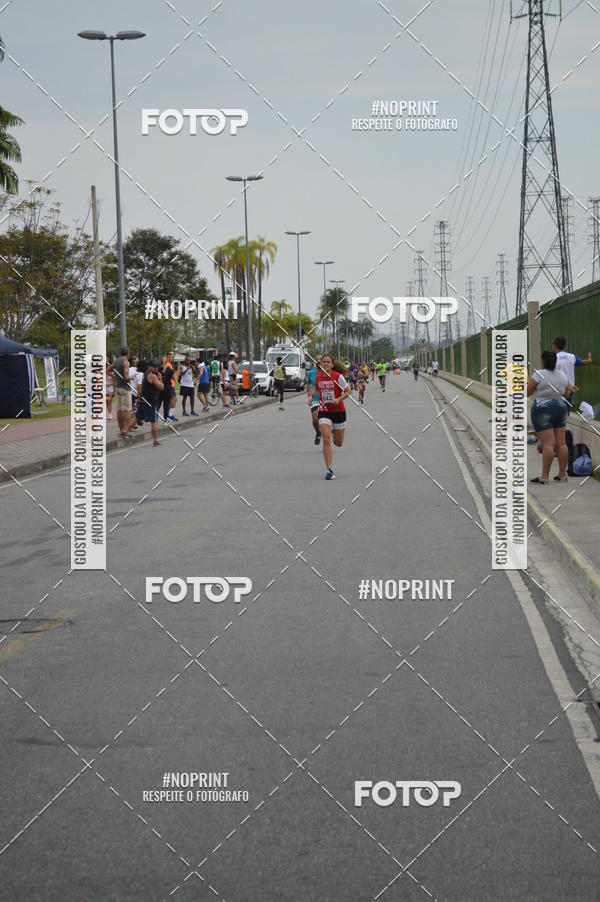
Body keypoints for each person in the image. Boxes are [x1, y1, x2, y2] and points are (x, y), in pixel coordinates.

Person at [527, 350, 574, 484]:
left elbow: (527, 392)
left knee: (548, 444)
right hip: (560, 408)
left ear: (543, 361)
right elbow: (566, 394)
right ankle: (562, 475)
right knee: (561, 443)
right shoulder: (562, 375)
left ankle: (544, 476)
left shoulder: (538, 374)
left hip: (542, 409)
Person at [308, 354, 351, 480]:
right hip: (324, 410)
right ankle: (329, 470)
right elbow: (316, 388)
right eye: (323, 362)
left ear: (332, 364)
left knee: (338, 443)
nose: (325, 364)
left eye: (328, 362)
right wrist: (311, 397)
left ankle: (334, 430)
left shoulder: (338, 377)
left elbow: (348, 391)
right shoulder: (319, 377)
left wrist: (338, 399)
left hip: (338, 411)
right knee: (326, 439)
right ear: (320, 364)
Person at [552, 336, 591, 405]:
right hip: (570, 390)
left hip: (557, 389)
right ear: (564, 346)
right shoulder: (571, 357)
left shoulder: (552, 358)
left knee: (557, 410)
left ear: (554, 345)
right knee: (566, 410)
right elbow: (584, 362)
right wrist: (588, 360)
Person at [137, 360, 164, 447]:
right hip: (151, 401)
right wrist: (160, 379)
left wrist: (139, 397)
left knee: (136, 416)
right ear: (149, 366)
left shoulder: (145, 374)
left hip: (143, 399)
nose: (156, 368)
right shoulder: (153, 376)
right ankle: (155, 440)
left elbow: (141, 386)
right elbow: (161, 387)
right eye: (154, 366)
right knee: (154, 421)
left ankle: (126, 429)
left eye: (157, 367)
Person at [112, 346, 136, 437]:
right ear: (128, 353)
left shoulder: (116, 361)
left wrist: (115, 377)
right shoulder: (126, 362)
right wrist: (132, 377)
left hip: (118, 387)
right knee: (127, 410)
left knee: (120, 410)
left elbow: (108, 370)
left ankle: (121, 429)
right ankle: (125, 430)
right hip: (125, 388)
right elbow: (126, 377)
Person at [306, 355, 322, 444]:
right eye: (316, 360)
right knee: (315, 419)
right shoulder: (311, 373)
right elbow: (308, 383)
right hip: (315, 398)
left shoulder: (327, 372)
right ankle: (318, 432)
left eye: (320, 360)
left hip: (326, 400)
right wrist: (309, 392)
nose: (318, 361)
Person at [160, 352, 178, 422]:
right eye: (170, 357)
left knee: (172, 400)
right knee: (172, 400)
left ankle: (169, 415)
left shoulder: (170, 364)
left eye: (172, 357)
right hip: (169, 386)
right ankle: (169, 415)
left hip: (171, 385)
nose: (171, 358)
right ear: (167, 358)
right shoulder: (167, 365)